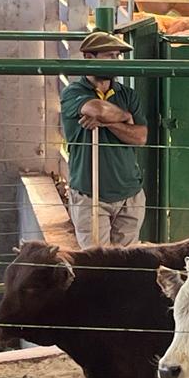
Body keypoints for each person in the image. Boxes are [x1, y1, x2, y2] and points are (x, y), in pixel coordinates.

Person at [60, 31, 148, 248]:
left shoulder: (127, 94)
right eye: (110, 56)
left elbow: (140, 137)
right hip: (91, 195)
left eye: (118, 56)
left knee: (127, 261)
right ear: (89, 57)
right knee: (96, 261)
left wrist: (107, 123)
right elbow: (96, 108)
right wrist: (125, 117)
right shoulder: (73, 92)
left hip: (129, 193)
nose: (116, 61)